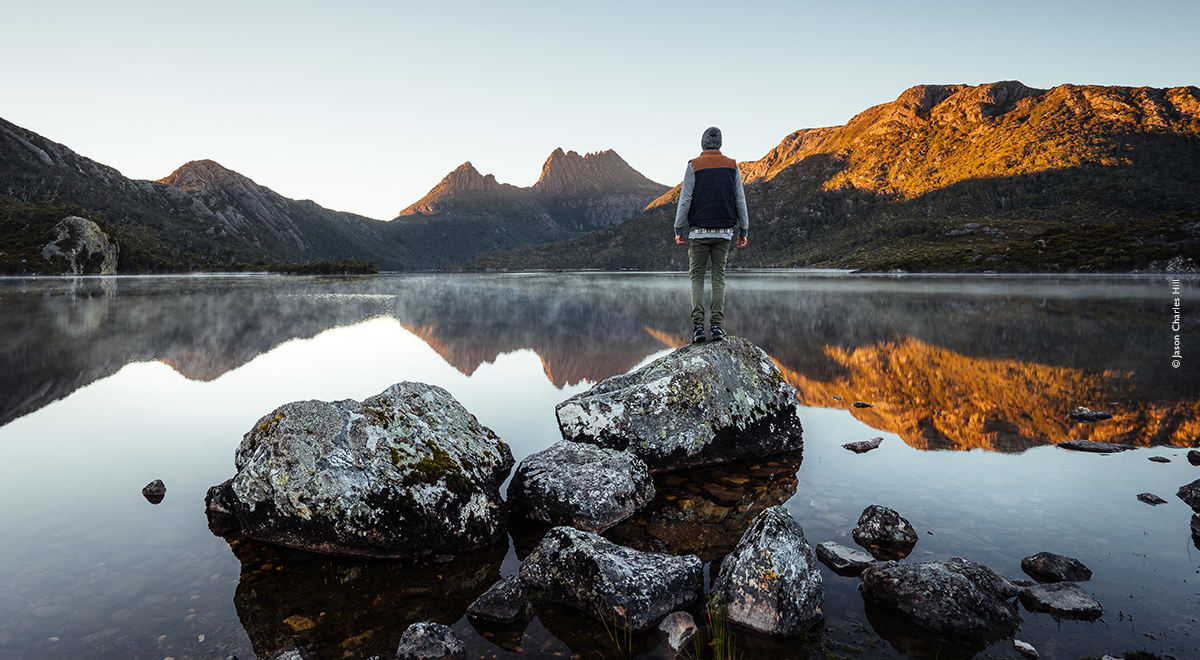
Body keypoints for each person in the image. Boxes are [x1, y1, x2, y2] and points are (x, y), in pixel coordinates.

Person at [674, 126, 749, 343]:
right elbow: (740, 200)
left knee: (697, 279)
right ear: (720, 143)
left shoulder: (694, 165)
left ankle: (698, 328)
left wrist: (678, 228)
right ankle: (716, 327)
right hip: (724, 233)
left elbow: (685, 200)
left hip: (698, 232)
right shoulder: (732, 166)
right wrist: (743, 230)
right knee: (718, 278)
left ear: (703, 143)